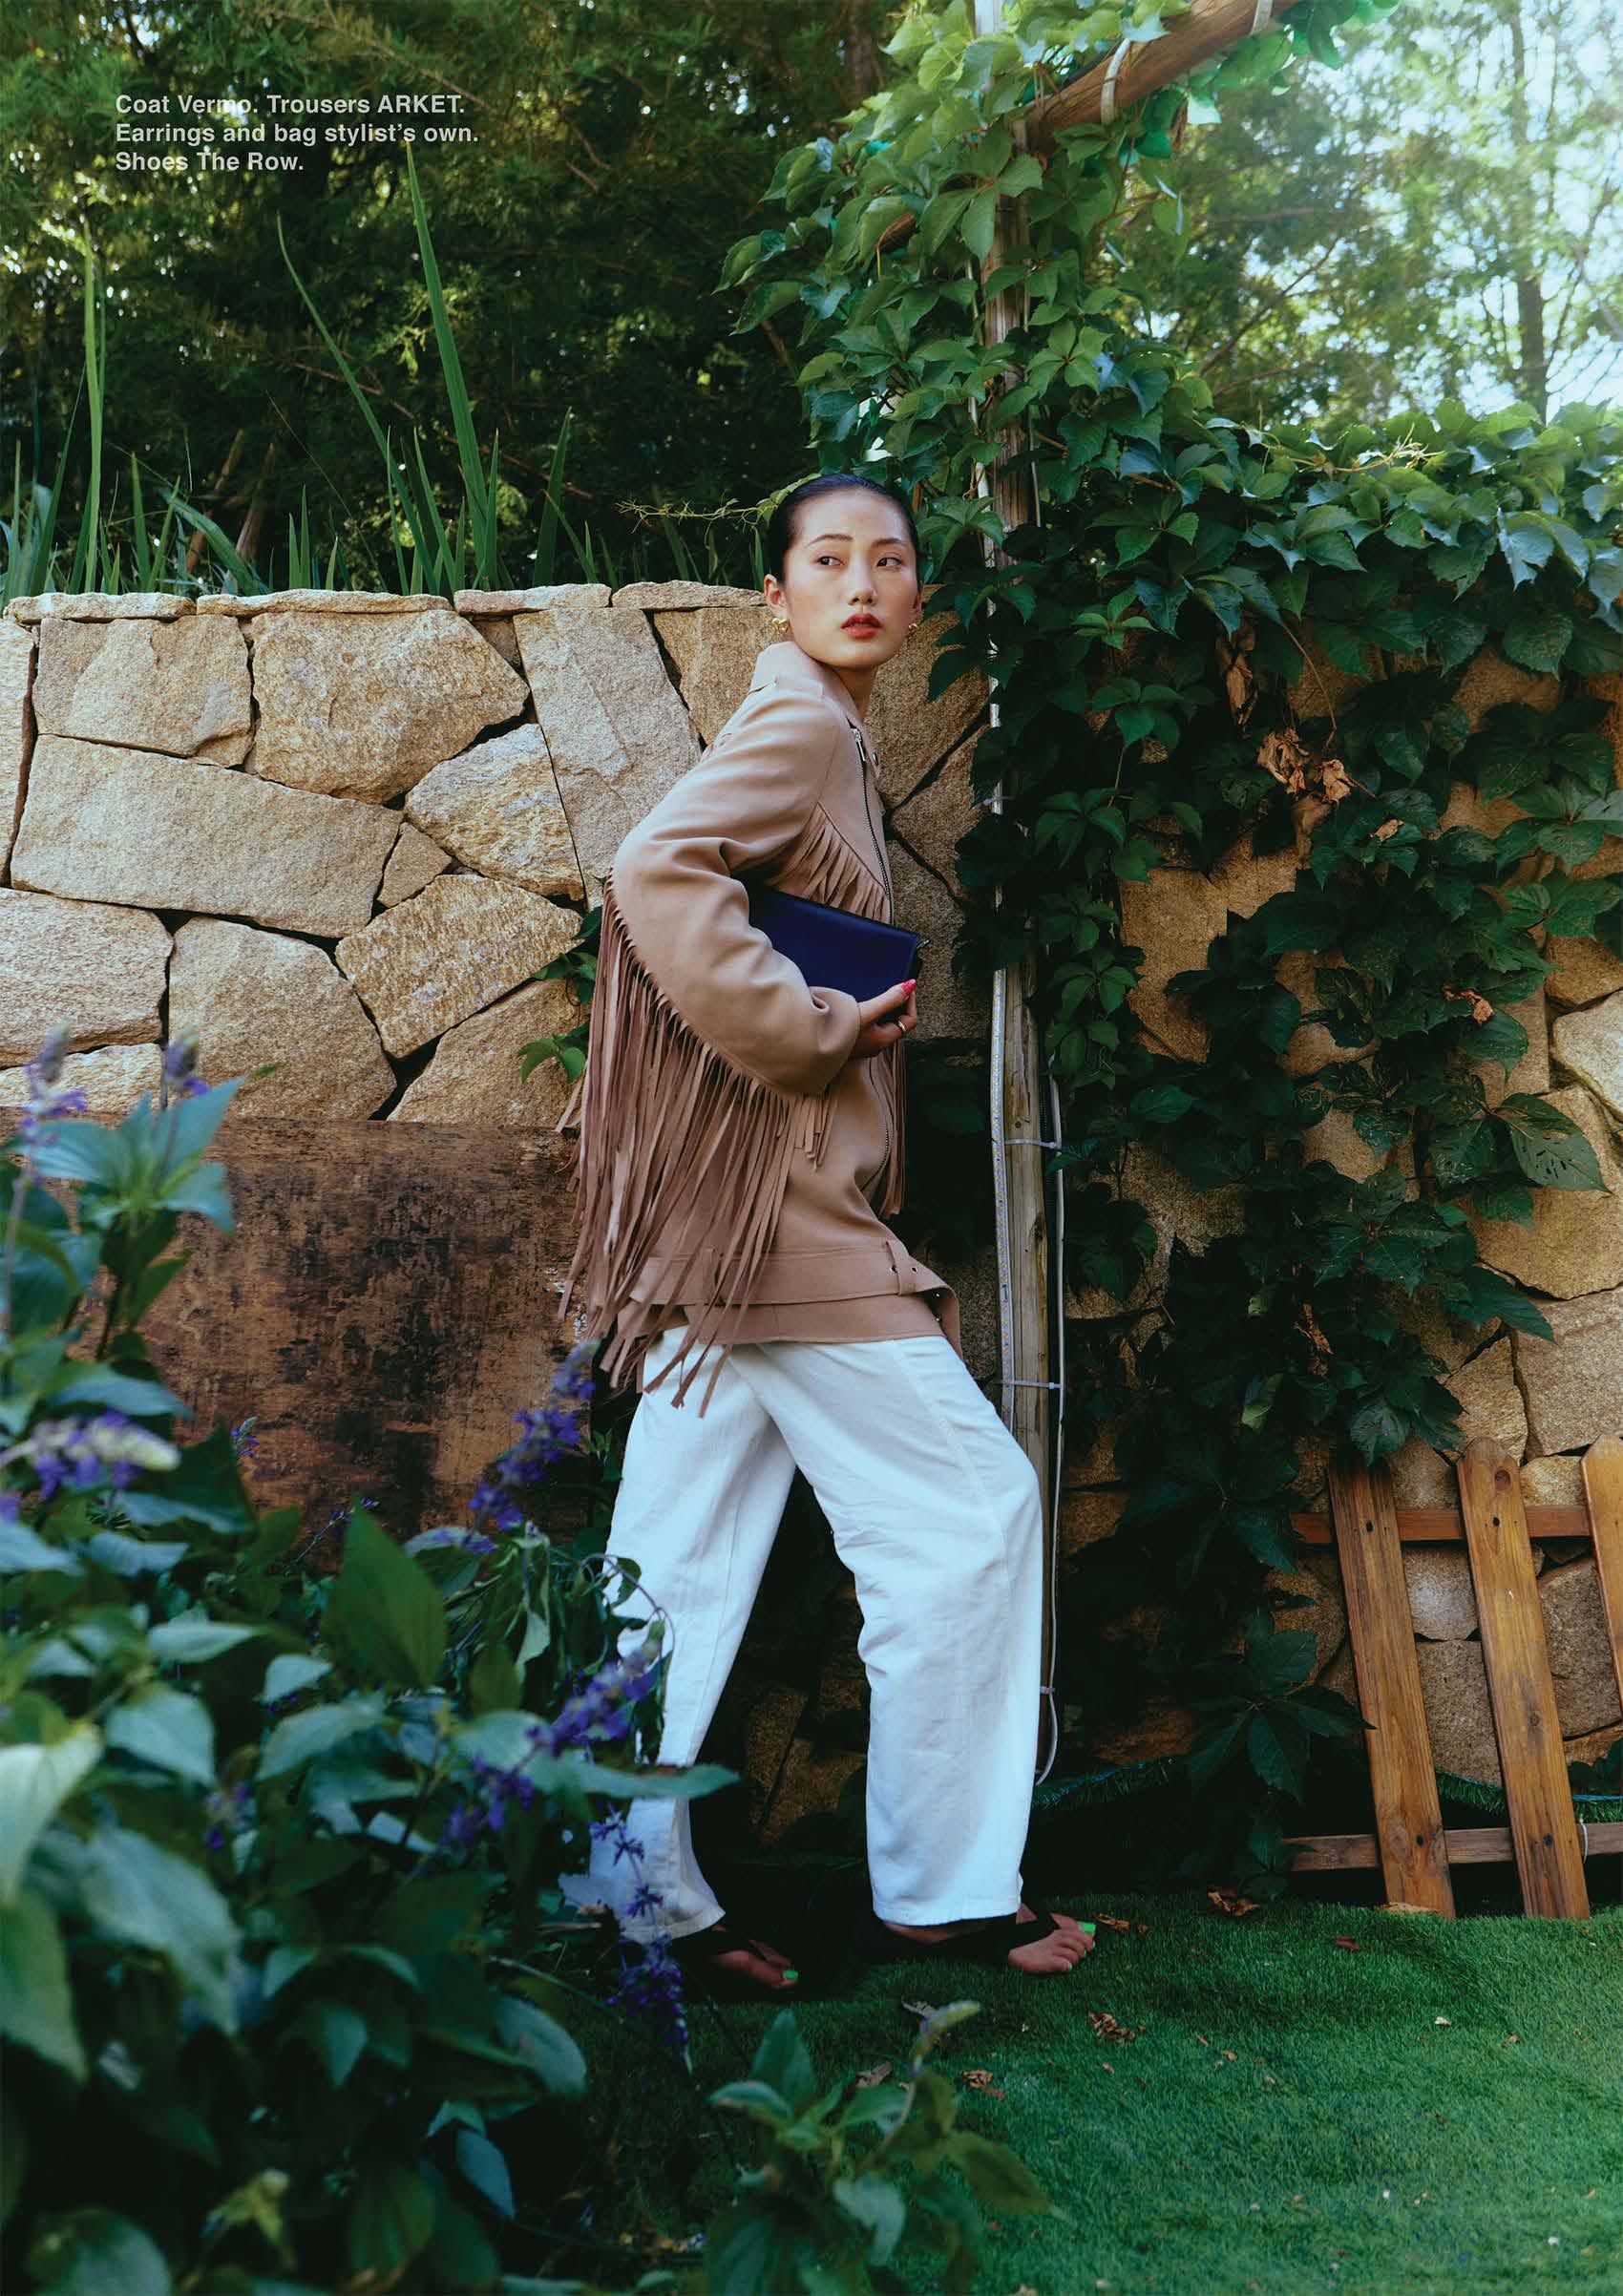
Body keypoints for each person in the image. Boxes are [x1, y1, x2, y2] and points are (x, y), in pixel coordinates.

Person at [554, 473, 1092, 1991]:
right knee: (971, 1512)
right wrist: (812, 1030)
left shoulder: (824, 734)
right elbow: (656, 869)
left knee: (669, 1567)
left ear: (918, 596)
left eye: (892, 560)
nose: (863, 583)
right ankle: (943, 1889)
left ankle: (621, 1891)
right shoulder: (797, 727)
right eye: (829, 559)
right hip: (782, 1230)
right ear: (775, 595)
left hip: (723, 1230)